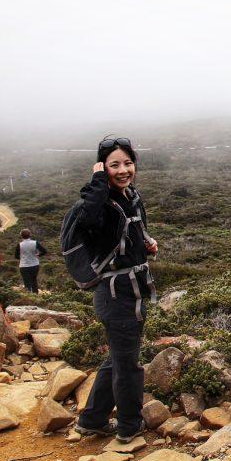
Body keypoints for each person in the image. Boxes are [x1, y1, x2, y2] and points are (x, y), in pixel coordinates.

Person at [74, 136, 158, 443]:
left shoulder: (128, 196)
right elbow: (88, 218)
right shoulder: (100, 200)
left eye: (128, 163)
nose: (123, 170)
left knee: (118, 358)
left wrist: (145, 245)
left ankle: (92, 419)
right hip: (115, 293)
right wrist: (97, 180)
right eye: (114, 165)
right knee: (128, 365)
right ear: (102, 167)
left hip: (130, 288)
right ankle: (129, 425)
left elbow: (126, 234)